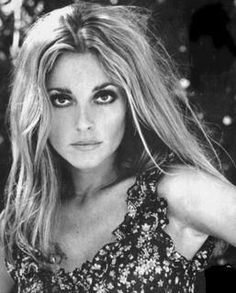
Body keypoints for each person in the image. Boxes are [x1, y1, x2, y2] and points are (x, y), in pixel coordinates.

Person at [0, 2, 235, 292]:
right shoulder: (20, 228)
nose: (84, 123)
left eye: (103, 97)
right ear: (37, 109)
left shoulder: (177, 194)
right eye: (62, 99)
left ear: (130, 102)